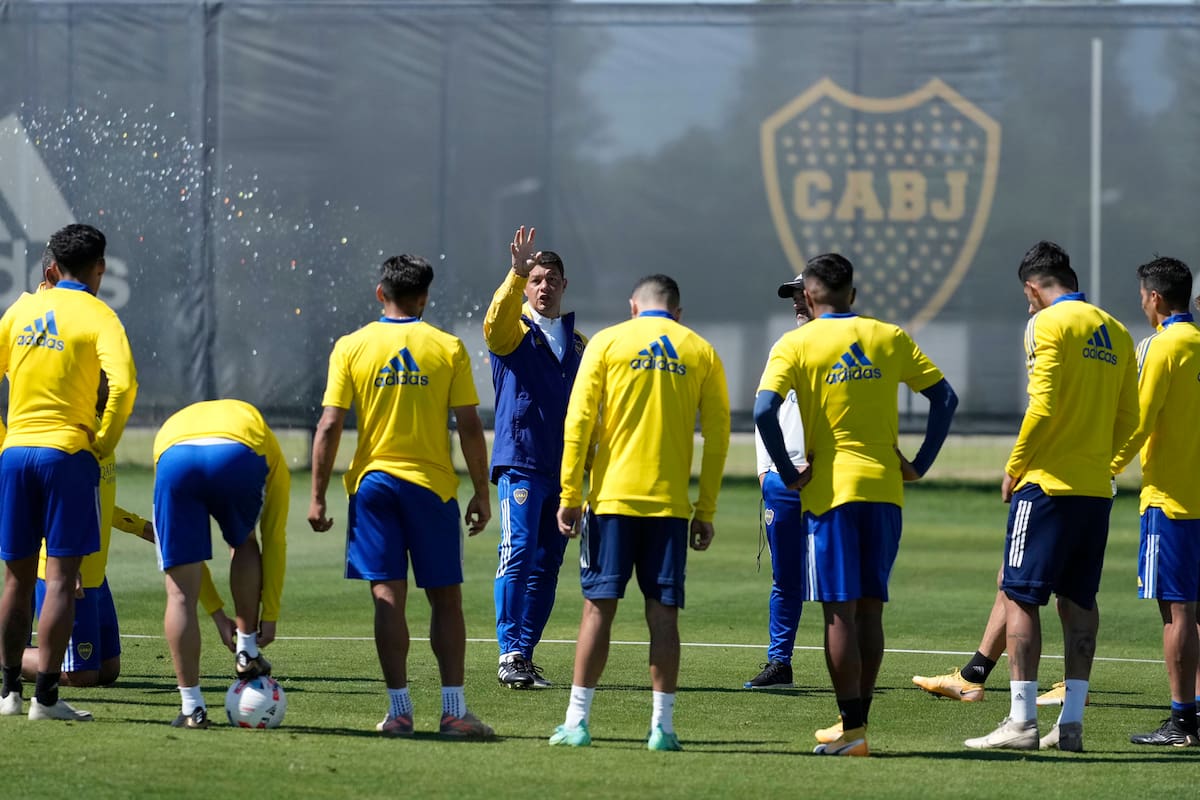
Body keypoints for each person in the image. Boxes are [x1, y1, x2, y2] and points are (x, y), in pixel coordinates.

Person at [755, 252, 958, 757]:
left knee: (838, 614)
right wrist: (920, 463)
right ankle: (857, 727)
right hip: (885, 490)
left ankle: (852, 732)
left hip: (832, 494)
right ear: (853, 292)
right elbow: (945, 398)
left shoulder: (795, 343)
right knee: (871, 612)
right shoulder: (887, 336)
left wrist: (785, 470)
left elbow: (762, 410)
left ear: (809, 295)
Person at [308, 254, 494, 739]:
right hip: (431, 489)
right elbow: (470, 425)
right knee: (446, 600)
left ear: (380, 293)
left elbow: (329, 424)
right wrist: (480, 490)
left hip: (372, 487)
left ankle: (398, 712)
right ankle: (453, 711)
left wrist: (318, 496)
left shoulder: (351, 346)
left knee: (387, 597)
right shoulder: (446, 346)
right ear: (424, 298)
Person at [965, 240, 1137, 752]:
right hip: (1094, 489)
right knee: (1080, 600)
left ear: (1032, 288)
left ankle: (1020, 722)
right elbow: (1131, 419)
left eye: (1027, 297)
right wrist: (1105, 465)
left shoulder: (1045, 323)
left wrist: (1015, 467)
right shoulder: (1117, 329)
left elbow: (1041, 404)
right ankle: (1071, 724)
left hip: (1045, 486)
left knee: (1020, 594)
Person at [549, 274, 730, 751]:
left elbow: (578, 423)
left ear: (633, 306)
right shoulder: (700, 350)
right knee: (663, 617)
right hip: (669, 509)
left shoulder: (607, 342)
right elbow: (718, 437)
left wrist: (569, 493)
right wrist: (704, 509)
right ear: (678, 312)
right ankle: (662, 729)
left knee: (596, 610)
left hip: (610, 502)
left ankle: (577, 722)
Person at [0, 223, 137, 721]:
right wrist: (102, 443)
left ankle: (8, 694)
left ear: (52, 267)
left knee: (15, 580)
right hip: (67, 455)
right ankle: (47, 700)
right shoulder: (100, 315)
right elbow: (123, 387)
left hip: (16, 454)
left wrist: (5, 440)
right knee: (61, 581)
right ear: (100, 268)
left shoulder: (20, 309)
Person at [484, 226, 585, 689]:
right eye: (536, 279)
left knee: (547, 565)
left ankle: (524, 654)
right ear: (527, 286)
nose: (544, 286)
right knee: (518, 552)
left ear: (564, 285)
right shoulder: (512, 331)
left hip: (563, 474)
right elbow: (493, 324)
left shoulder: (580, 344)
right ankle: (508, 652)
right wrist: (514, 273)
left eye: (551, 278)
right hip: (521, 463)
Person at [153, 399, 289, 729]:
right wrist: (268, 616)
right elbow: (274, 539)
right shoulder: (268, 442)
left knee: (179, 592)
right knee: (244, 541)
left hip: (173, 456)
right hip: (238, 454)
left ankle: (192, 709)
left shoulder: (171, 427)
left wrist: (216, 612)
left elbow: (188, 559)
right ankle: (247, 651)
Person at [1111, 257, 1200, 747]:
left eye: (1144, 296)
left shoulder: (1163, 347)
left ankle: (1182, 721)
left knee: (1177, 613)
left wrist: (1104, 467)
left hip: (1171, 501)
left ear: (1155, 298)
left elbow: (1139, 421)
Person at [744, 274, 810, 690]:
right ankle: (779, 663)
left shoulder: (850, 345)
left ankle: (854, 668)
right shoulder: (783, 347)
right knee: (785, 577)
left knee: (843, 584)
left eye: (803, 295)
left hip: (832, 482)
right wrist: (767, 470)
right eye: (793, 297)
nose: (797, 303)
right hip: (784, 481)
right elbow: (766, 410)